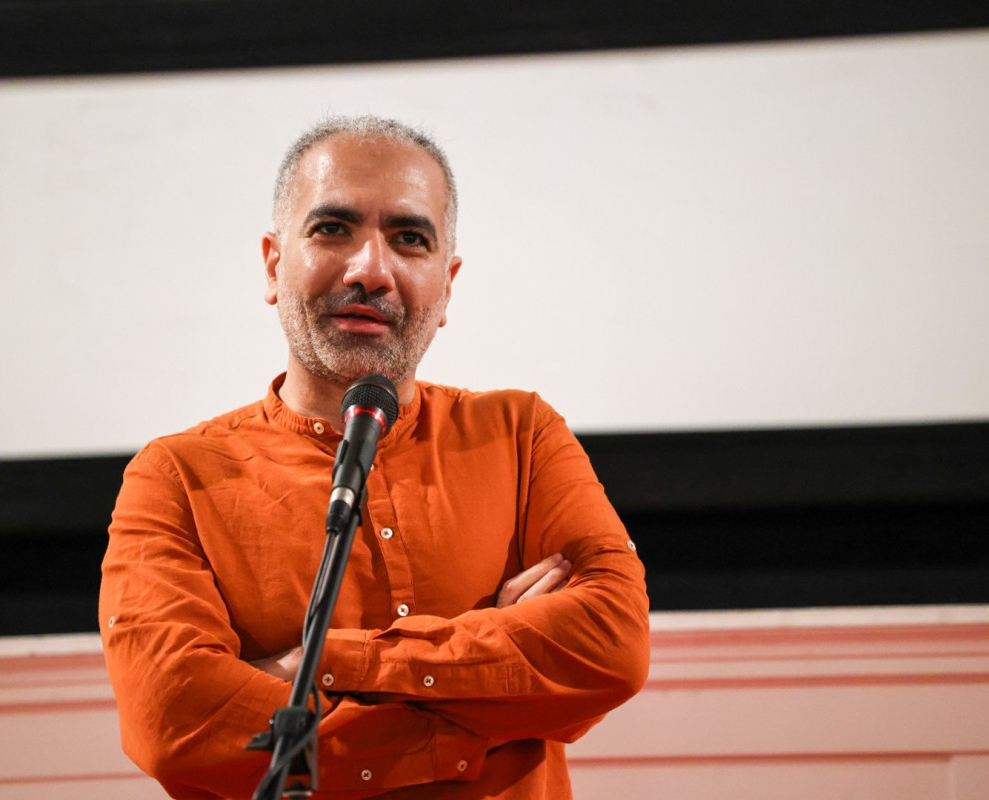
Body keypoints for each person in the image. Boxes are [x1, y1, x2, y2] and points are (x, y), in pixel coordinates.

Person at [99, 115, 650, 799]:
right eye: (333, 229)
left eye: (409, 239)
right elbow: (176, 723)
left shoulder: (521, 435)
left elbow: (610, 647)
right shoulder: (175, 479)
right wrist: (495, 694)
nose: (371, 270)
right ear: (273, 264)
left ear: (446, 286)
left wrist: (316, 663)